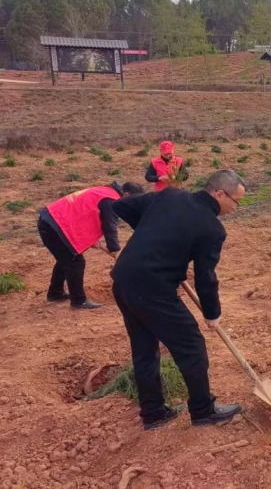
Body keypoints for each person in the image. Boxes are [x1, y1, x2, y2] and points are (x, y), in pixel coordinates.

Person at [110, 170, 247, 430]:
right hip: (152, 290)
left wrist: (151, 231)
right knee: (192, 346)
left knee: (144, 350)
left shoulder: (171, 195)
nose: (236, 207)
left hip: (123, 281)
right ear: (219, 194)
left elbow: (121, 205)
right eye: (236, 201)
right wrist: (212, 314)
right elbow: (206, 277)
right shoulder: (212, 228)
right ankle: (203, 410)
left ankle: (153, 413)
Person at [38, 181, 145, 310]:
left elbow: (85, 212)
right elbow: (110, 226)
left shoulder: (104, 192)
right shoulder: (112, 200)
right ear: (127, 194)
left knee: (66, 258)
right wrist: (115, 249)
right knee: (75, 262)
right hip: (54, 224)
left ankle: (55, 293)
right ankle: (78, 301)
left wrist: (90, 237)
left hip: (51, 221)